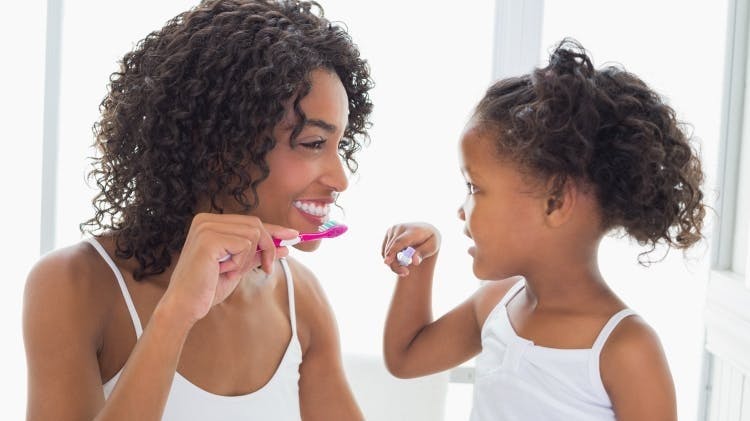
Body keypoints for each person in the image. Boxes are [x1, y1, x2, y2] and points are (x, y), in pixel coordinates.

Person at [23, 0, 373, 420]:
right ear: (222, 146)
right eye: (314, 143)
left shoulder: (302, 300)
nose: (340, 178)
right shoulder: (74, 284)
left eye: (339, 146)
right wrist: (176, 313)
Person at [380, 38, 704, 421]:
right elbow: (406, 357)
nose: (462, 211)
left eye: (474, 188)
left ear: (555, 202)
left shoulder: (627, 349)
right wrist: (420, 262)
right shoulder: (497, 303)